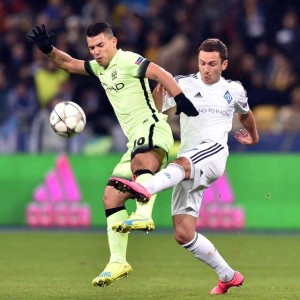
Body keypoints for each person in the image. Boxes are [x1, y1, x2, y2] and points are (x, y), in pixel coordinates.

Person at [27, 22, 198, 287]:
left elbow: (160, 72)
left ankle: (144, 212)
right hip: (134, 141)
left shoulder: (128, 60)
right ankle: (118, 261)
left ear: (113, 42)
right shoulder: (100, 68)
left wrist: (180, 97)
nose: (95, 51)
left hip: (152, 127)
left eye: (100, 45)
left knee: (142, 162)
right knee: (111, 196)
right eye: (91, 47)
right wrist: (49, 50)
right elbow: (69, 63)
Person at [109, 38, 259, 295]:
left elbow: (245, 114)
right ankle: (228, 275)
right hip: (189, 165)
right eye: (202, 63)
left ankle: (146, 187)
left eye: (212, 64)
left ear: (224, 64)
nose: (206, 68)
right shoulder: (182, 83)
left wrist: (253, 137)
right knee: (183, 232)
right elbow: (155, 108)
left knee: (181, 163)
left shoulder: (233, 89)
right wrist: (159, 89)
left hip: (213, 156)